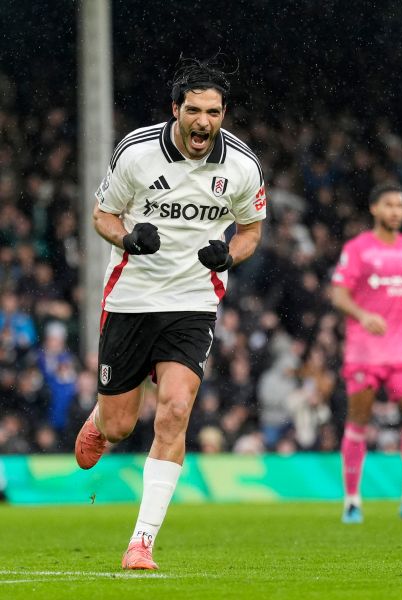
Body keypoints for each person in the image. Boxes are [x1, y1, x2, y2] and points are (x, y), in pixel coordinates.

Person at [74, 57, 266, 570]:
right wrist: (128, 238)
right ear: (175, 109)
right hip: (131, 298)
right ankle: (101, 417)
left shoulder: (243, 166)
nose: (205, 121)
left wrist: (230, 255)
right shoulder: (137, 153)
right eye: (195, 110)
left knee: (176, 409)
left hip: (193, 302)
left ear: (223, 114)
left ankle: (142, 542)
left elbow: (250, 229)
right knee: (119, 427)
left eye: (214, 112)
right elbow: (102, 214)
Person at [331, 183, 402, 524]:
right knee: (359, 422)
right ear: (374, 209)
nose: (396, 211)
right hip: (365, 351)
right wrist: (363, 315)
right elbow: (338, 294)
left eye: (401, 206)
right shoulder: (358, 249)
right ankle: (352, 501)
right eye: (389, 205)